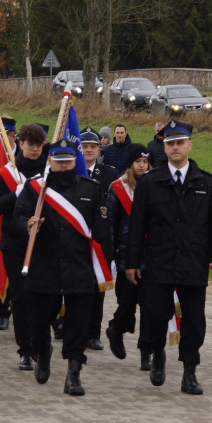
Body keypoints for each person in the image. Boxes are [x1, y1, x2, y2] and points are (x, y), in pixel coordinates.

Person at [126, 120, 212, 396]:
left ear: (189, 145)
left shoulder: (205, 182)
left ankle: (189, 373)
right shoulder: (149, 182)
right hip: (159, 262)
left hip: (192, 262)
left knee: (194, 321)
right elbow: (137, 226)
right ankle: (157, 352)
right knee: (156, 316)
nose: (175, 147)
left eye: (180, 142)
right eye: (170, 143)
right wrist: (132, 263)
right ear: (164, 146)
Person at [15, 138, 111, 397]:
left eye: (68, 160)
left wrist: (105, 264)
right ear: (50, 161)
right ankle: (42, 352)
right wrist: (28, 224)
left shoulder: (91, 188)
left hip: (78, 266)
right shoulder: (35, 189)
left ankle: (73, 373)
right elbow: (18, 218)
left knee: (78, 325)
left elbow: (101, 231)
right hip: (43, 266)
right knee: (37, 322)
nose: (64, 165)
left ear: (75, 160)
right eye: (59, 161)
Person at [0, 123, 48, 371]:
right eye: (30, 144)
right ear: (20, 144)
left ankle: (41, 344)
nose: (34, 149)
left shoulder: (50, 170)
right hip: (15, 245)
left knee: (42, 298)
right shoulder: (7, 173)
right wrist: (16, 194)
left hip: (44, 244)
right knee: (21, 299)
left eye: (38, 144)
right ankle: (25, 350)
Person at [105, 143, 152, 370]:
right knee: (127, 303)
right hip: (125, 257)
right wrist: (110, 257)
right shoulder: (118, 188)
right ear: (131, 164)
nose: (142, 166)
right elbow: (110, 225)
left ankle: (146, 352)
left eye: (145, 162)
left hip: (150, 257)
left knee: (149, 305)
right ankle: (116, 329)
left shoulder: (155, 185)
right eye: (138, 162)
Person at [80, 127, 119, 352]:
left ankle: (94, 333)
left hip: (100, 239)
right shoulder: (72, 170)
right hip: (76, 238)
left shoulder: (110, 174)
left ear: (99, 149)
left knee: (98, 289)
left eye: (93, 147)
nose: (88, 150)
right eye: (84, 147)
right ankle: (66, 325)